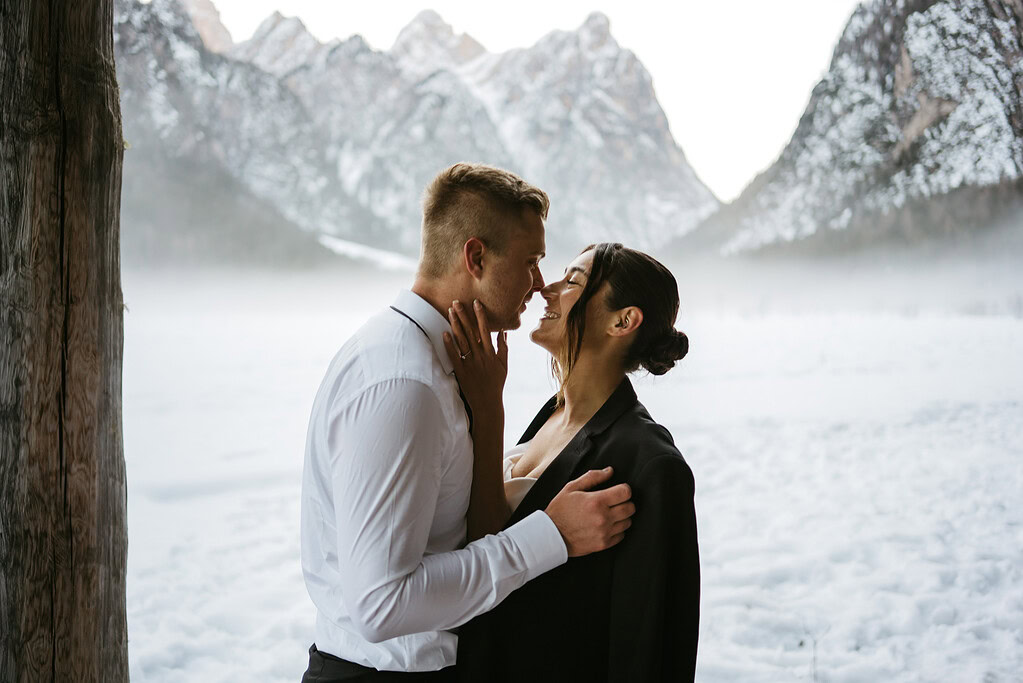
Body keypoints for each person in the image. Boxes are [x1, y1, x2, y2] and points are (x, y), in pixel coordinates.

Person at [300, 164, 636, 682]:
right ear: (475, 257)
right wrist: (551, 535)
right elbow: (381, 604)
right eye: (530, 261)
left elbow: (443, 517)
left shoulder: (432, 363)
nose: (538, 284)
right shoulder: (404, 383)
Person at [445, 242, 700, 682]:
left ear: (623, 321)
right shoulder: (551, 413)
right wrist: (485, 410)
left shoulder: (651, 464)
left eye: (574, 282)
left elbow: (651, 650)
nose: (546, 289)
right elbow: (491, 542)